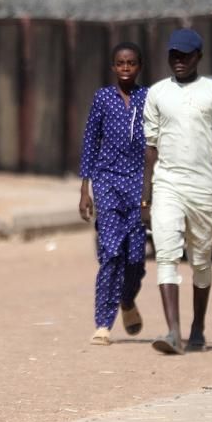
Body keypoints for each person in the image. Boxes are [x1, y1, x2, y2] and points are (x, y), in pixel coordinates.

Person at [140, 27, 212, 355]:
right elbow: (151, 147)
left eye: (185, 55)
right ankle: (173, 332)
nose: (179, 61)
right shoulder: (157, 93)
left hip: (204, 186)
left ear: (199, 56)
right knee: (167, 254)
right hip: (167, 183)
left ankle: (198, 326)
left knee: (200, 260)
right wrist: (146, 193)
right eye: (174, 55)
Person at [79, 42, 149, 346]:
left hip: (138, 183)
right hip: (106, 181)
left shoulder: (148, 99)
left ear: (139, 66)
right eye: (120, 63)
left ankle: (127, 300)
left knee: (135, 259)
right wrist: (85, 189)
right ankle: (102, 323)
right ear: (113, 67)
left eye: (131, 63)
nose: (125, 68)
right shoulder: (102, 99)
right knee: (110, 252)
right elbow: (90, 141)